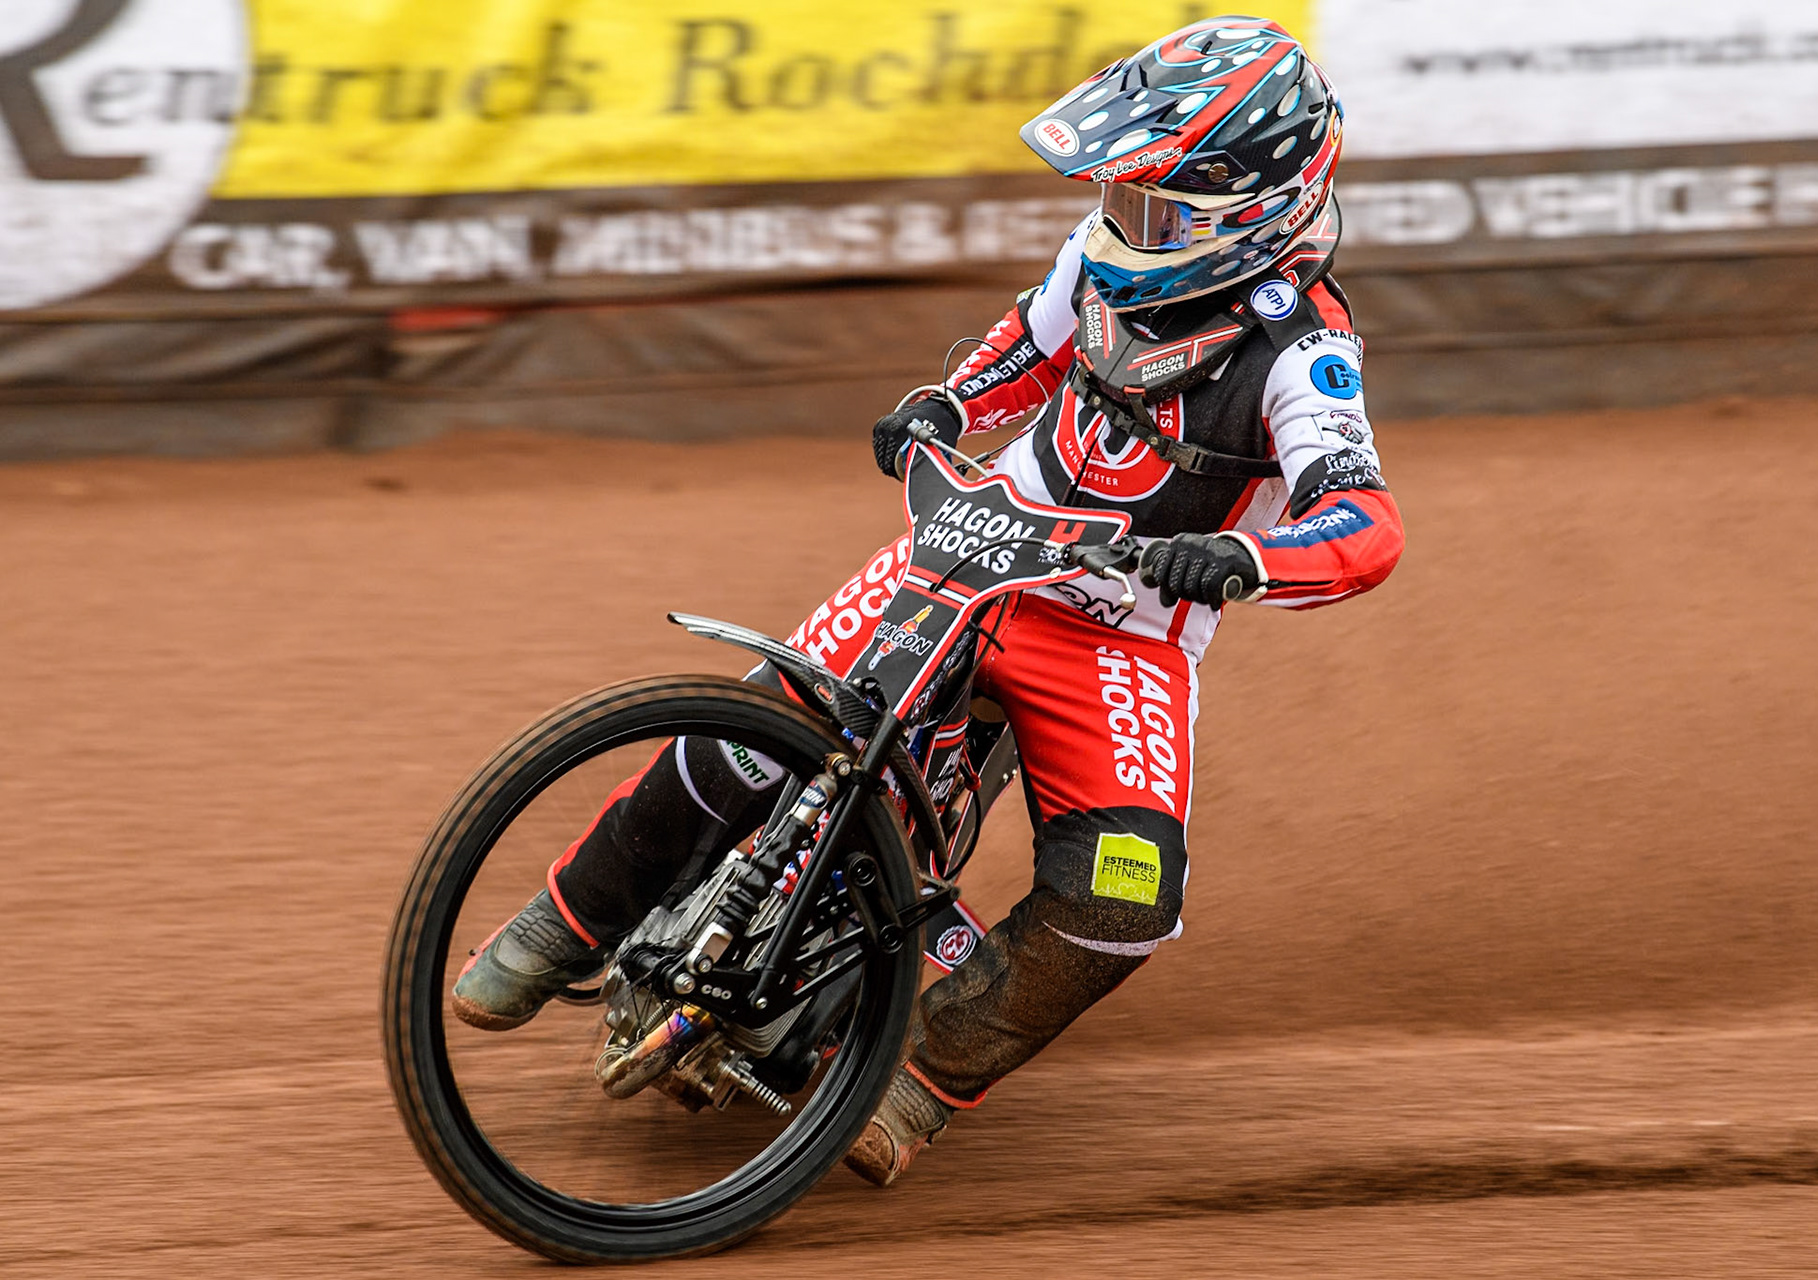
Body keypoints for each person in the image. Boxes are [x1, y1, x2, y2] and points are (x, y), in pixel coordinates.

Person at [450, 18, 1404, 1187]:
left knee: (1125, 895)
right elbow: (1025, 346)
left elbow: (1365, 524)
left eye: (1154, 207)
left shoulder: (1308, 355)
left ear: (1246, 213)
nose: (1120, 223)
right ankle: (563, 921)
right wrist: (948, 403)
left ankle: (919, 1083)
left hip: (1113, 630)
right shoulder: (1105, 253)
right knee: (758, 725)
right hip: (972, 542)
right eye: (1117, 195)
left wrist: (1243, 559)